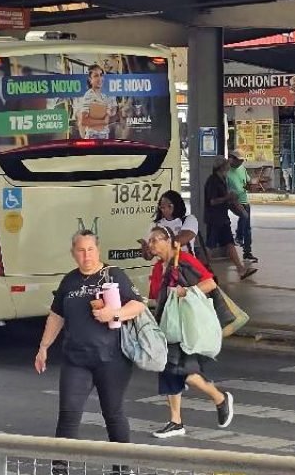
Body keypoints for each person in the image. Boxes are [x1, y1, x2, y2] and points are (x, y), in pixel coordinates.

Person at [36, 230, 146, 449]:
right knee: (68, 415)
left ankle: (122, 468)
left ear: (98, 250)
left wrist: (113, 315)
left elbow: (138, 305)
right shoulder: (69, 280)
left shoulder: (113, 275)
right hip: (76, 360)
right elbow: (57, 315)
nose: (86, 256)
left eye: (90, 250)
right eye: (81, 251)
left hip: (112, 359)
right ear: (73, 253)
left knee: (113, 414)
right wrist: (44, 347)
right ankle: (61, 470)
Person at [143, 225, 234, 438]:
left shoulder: (183, 260)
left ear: (168, 240)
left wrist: (187, 291)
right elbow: (157, 297)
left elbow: (210, 283)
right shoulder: (158, 268)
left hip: (185, 326)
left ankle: (220, 398)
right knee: (168, 370)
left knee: (184, 371)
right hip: (167, 325)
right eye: (150, 241)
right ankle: (176, 421)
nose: (152, 245)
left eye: (155, 240)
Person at [203, 159, 257, 281]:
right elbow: (212, 201)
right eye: (226, 166)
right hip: (214, 218)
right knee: (210, 245)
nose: (228, 168)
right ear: (221, 167)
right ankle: (203, 271)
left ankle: (241, 270)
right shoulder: (213, 181)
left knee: (229, 243)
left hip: (222, 218)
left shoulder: (223, 180)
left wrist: (232, 201)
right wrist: (227, 197)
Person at [143, 190, 200, 300]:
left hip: (186, 266)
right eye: (162, 207)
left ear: (177, 205)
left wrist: (160, 244)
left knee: (188, 296)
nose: (165, 210)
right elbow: (148, 255)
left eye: (169, 206)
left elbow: (184, 237)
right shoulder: (156, 224)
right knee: (164, 299)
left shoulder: (188, 220)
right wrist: (146, 248)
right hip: (164, 268)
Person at [225, 150, 256, 263]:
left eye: (242, 161)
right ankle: (238, 236)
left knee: (247, 227)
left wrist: (250, 185)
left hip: (243, 199)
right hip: (232, 201)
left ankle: (247, 252)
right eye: (239, 160)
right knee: (244, 216)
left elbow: (247, 182)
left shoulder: (242, 169)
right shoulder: (226, 171)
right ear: (231, 159)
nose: (240, 163)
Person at [75, 65, 116, 140]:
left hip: (105, 136)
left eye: (101, 75)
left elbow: (110, 113)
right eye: (96, 76)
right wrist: (103, 121)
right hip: (93, 137)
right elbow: (84, 121)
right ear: (90, 79)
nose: (100, 78)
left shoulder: (104, 96)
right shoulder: (88, 96)